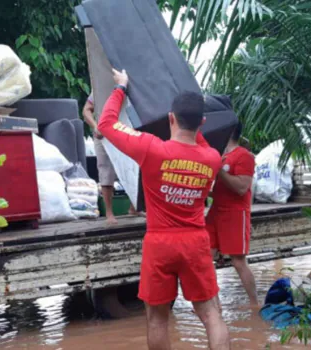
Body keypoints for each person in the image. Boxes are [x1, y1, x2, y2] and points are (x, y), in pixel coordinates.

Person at [97, 69, 230, 350]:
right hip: (195, 243)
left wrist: (121, 88)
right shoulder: (212, 159)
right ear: (202, 123)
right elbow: (200, 141)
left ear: (171, 118)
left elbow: (106, 124)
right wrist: (196, 124)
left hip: (160, 244)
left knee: (157, 319)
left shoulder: (151, 149)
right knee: (211, 314)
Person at [206, 122, 258, 306]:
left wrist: (219, 170)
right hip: (215, 212)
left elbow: (242, 188)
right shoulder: (221, 156)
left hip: (235, 214)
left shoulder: (244, 156)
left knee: (238, 262)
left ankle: (254, 304)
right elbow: (220, 189)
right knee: (205, 258)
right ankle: (214, 304)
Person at [83, 91, 141, 224]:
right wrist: (95, 126)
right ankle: (109, 212)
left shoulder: (130, 88)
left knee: (133, 167)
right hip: (103, 133)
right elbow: (86, 110)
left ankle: (134, 207)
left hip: (124, 131)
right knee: (106, 171)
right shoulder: (99, 87)